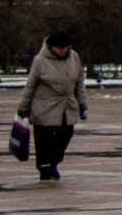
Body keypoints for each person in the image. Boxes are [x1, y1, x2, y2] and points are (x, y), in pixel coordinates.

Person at [16, 30, 86, 181]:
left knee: (66, 134)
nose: (63, 51)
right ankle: (44, 168)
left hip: (66, 106)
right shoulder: (40, 60)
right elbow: (30, 86)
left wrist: (82, 104)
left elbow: (79, 82)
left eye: (66, 47)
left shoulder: (73, 57)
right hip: (44, 107)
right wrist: (23, 108)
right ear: (52, 47)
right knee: (43, 141)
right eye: (60, 48)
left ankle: (53, 162)